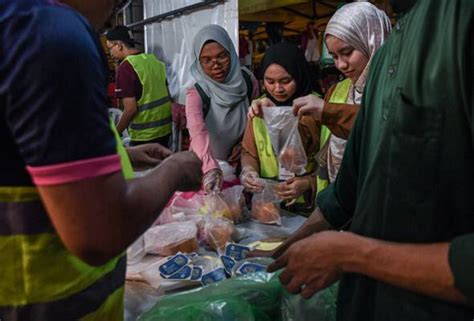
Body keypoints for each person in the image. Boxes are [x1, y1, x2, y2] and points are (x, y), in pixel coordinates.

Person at [266, 0, 474, 320]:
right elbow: (346, 191)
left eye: (347, 53)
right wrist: (289, 246)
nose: (341, 64)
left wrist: (353, 255)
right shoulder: (387, 57)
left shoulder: (458, 21)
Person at [0, 1, 202, 320]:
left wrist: (122, 152)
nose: (116, 6)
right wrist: (175, 169)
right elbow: (99, 232)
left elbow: (29, 148)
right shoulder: (48, 32)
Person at [250, 2, 391, 195]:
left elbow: (386, 128)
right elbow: (320, 153)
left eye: (347, 52)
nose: (341, 64)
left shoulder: (399, 88)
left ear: (372, 40)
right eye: (333, 56)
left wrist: (328, 111)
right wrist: (277, 118)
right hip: (340, 200)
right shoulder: (337, 91)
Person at [240, 43, 321, 214]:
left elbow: (330, 159)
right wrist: (249, 172)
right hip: (268, 202)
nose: (278, 89)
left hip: (307, 204)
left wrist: (309, 182)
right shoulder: (259, 107)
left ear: (299, 76)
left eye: (286, 81)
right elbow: (249, 152)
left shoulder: (315, 108)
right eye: (270, 81)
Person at [185, 24, 259, 194]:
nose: (215, 65)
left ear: (231, 54)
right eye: (206, 60)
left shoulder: (247, 80)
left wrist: (243, 146)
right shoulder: (197, 92)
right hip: (206, 165)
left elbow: (255, 120)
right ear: (198, 61)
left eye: (222, 56)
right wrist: (211, 168)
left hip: (244, 163)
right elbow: (197, 133)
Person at [106, 25, 172, 147]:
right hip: (166, 131)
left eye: (110, 48)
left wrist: (114, 134)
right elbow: (167, 95)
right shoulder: (154, 61)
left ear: (119, 45)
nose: (110, 53)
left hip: (144, 136)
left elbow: (130, 109)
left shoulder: (126, 68)